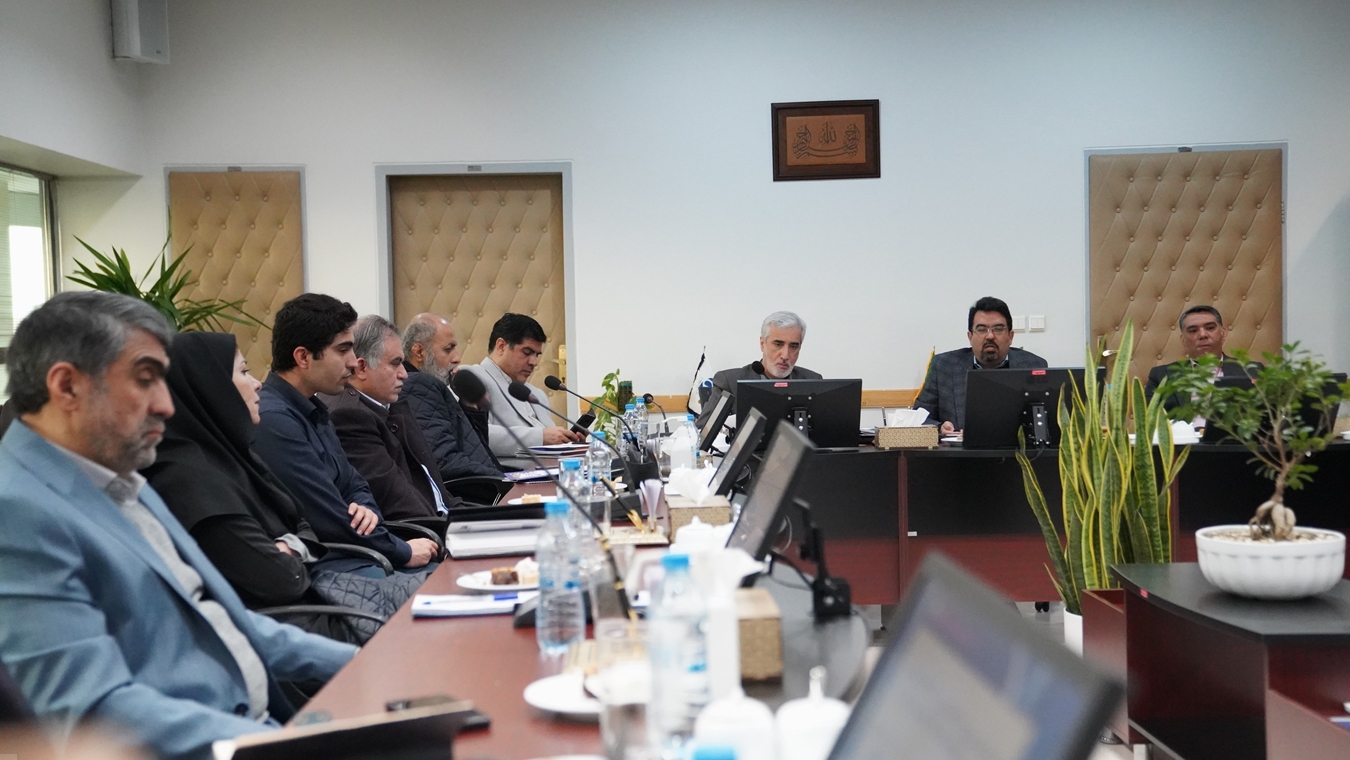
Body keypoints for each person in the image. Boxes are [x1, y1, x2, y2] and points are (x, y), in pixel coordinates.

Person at [0, 292, 356, 760]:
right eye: (146, 379)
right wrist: (286, 745)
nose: (167, 406)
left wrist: (363, 662)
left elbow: (221, 621)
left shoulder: (118, 475)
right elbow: (94, 710)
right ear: (67, 387)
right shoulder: (17, 512)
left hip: (258, 726)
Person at [141, 331, 424, 644]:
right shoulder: (192, 484)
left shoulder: (236, 456)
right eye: (244, 372)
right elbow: (284, 579)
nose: (256, 383)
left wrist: (288, 545)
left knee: (444, 594)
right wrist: (295, 546)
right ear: (210, 387)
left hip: (325, 599)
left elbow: (302, 522)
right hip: (305, 623)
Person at [253, 293, 437, 572]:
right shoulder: (274, 420)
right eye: (342, 350)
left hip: (359, 553)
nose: (353, 362)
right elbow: (326, 514)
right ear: (303, 357)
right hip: (329, 566)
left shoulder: (313, 408)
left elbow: (355, 484)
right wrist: (402, 551)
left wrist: (367, 510)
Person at [321, 315, 460, 521]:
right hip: (425, 531)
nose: (404, 374)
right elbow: (399, 503)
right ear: (361, 368)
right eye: (396, 364)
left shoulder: (390, 402)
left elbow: (437, 492)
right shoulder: (350, 417)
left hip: (444, 519)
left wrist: (476, 517)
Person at [914, 296, 1048, 434]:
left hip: (1015, 448)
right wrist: (940, 428)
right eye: (982, 329)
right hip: (961, 448)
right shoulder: (944, 366)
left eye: (998, 329)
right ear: (970, 337)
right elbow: (918, 418)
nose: (990, 336)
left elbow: (1046, 420)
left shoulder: (1033, 366)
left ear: (1010, 336)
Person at [458, 313, 581, 458]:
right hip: (504, 470)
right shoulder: (471, 379)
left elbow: (550, 441)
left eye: (537, 355)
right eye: (527, 352)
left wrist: (567, 441)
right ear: (501, 346)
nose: (534, 362)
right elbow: (471, 434)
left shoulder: (536, 394)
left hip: (548, 467)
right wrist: (540, 437)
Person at [398, 313, 503, 483]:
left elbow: (474, 448)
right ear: (419, 352)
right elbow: (444, 461)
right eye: (448, 349)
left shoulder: (427, 386)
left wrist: (470, 405)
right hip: (469, 493)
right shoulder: (417, 384)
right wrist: (505, 480)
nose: (457, 358)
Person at [695, 311, 821, 428]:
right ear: (762, 344)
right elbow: (703, 431)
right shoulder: (730, 382)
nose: (785, 355)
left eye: (793, 346)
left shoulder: (812, 382)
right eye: (778, 344)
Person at [1144, 305, 1261, 411]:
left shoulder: (1251, 371)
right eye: (1193, 330)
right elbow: (1150, 420)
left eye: (1210, 328)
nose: (1202, 335)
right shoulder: (1160, 376)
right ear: (1183, 340)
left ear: (1223, 333)